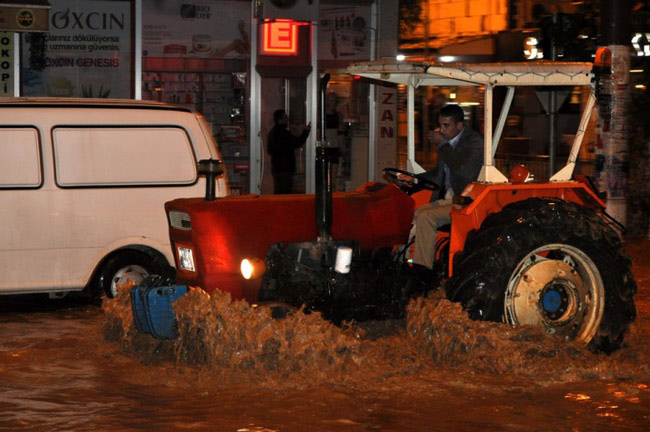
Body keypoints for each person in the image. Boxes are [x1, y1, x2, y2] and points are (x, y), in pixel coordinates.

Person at [412, 104, 483, 278]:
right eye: (440, 125)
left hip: (466, 201)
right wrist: (414, 178)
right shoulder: (449, 144)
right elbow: (438, 173)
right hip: (449, 198)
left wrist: (442, 143)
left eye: (446, 126)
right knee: (414, 214)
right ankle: (405, 261)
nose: (442, 130)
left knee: (426, 217)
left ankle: (423, 271)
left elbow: (461, 169)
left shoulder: (474, 142)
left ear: (459, 126)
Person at [267, 109, 311, 194]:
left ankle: (277, 206)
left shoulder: (272, 132)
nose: (287, 119)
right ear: (280, 119)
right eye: (285, 117)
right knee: (285, 191)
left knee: (279, 190)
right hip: (285, 167)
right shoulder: (284, 133)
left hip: (277, 167)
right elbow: (297, 143)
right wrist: (306, 131)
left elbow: (270, 150)